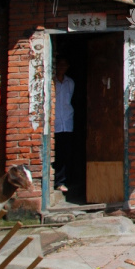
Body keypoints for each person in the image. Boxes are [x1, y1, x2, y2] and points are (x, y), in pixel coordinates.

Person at [53, 57, 75, 193]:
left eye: (64, 65)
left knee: (65, 153)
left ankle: (63, 181)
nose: (62, 67)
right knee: (56, 153)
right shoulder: (52, 82)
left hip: (67, 121)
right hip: (54, 123)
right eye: (59, 64)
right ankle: (56, 181)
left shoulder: (70, 82)